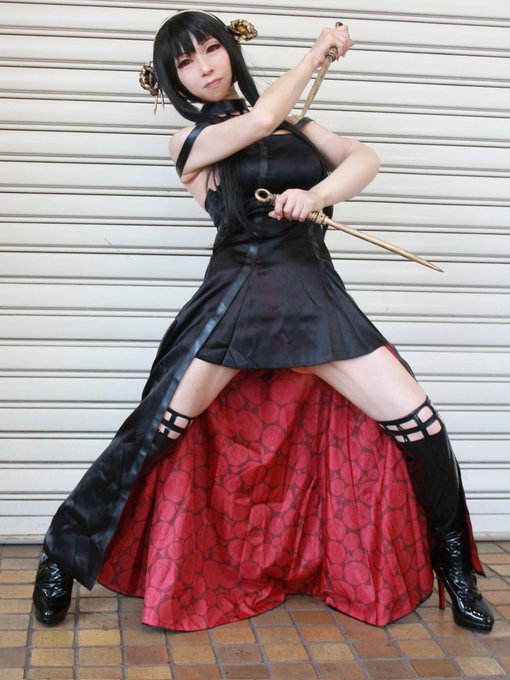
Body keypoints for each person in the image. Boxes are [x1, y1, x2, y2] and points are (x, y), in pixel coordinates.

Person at [32, 9, 493, 633]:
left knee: (421, 423)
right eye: (185, 63)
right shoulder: (190, 144)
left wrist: (318, 195)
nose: (204, 67)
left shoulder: (297, 123)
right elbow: (257, 121)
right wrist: (314, 55)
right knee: (157, 430)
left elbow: (363, 157)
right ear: (172, 81)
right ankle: (61, 552)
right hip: (237, 293)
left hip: (313, 290)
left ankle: (456, 568)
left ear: (230, 48)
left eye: (211, 49)